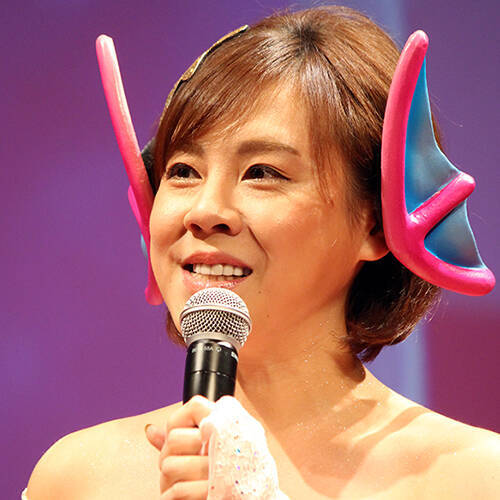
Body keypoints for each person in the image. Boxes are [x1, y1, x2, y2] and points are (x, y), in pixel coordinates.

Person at [25, 6, 499, 499]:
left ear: (375, 223)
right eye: (183, 171)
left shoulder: (474, 479)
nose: (205, 211)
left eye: (263, 172)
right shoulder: (79, 478)